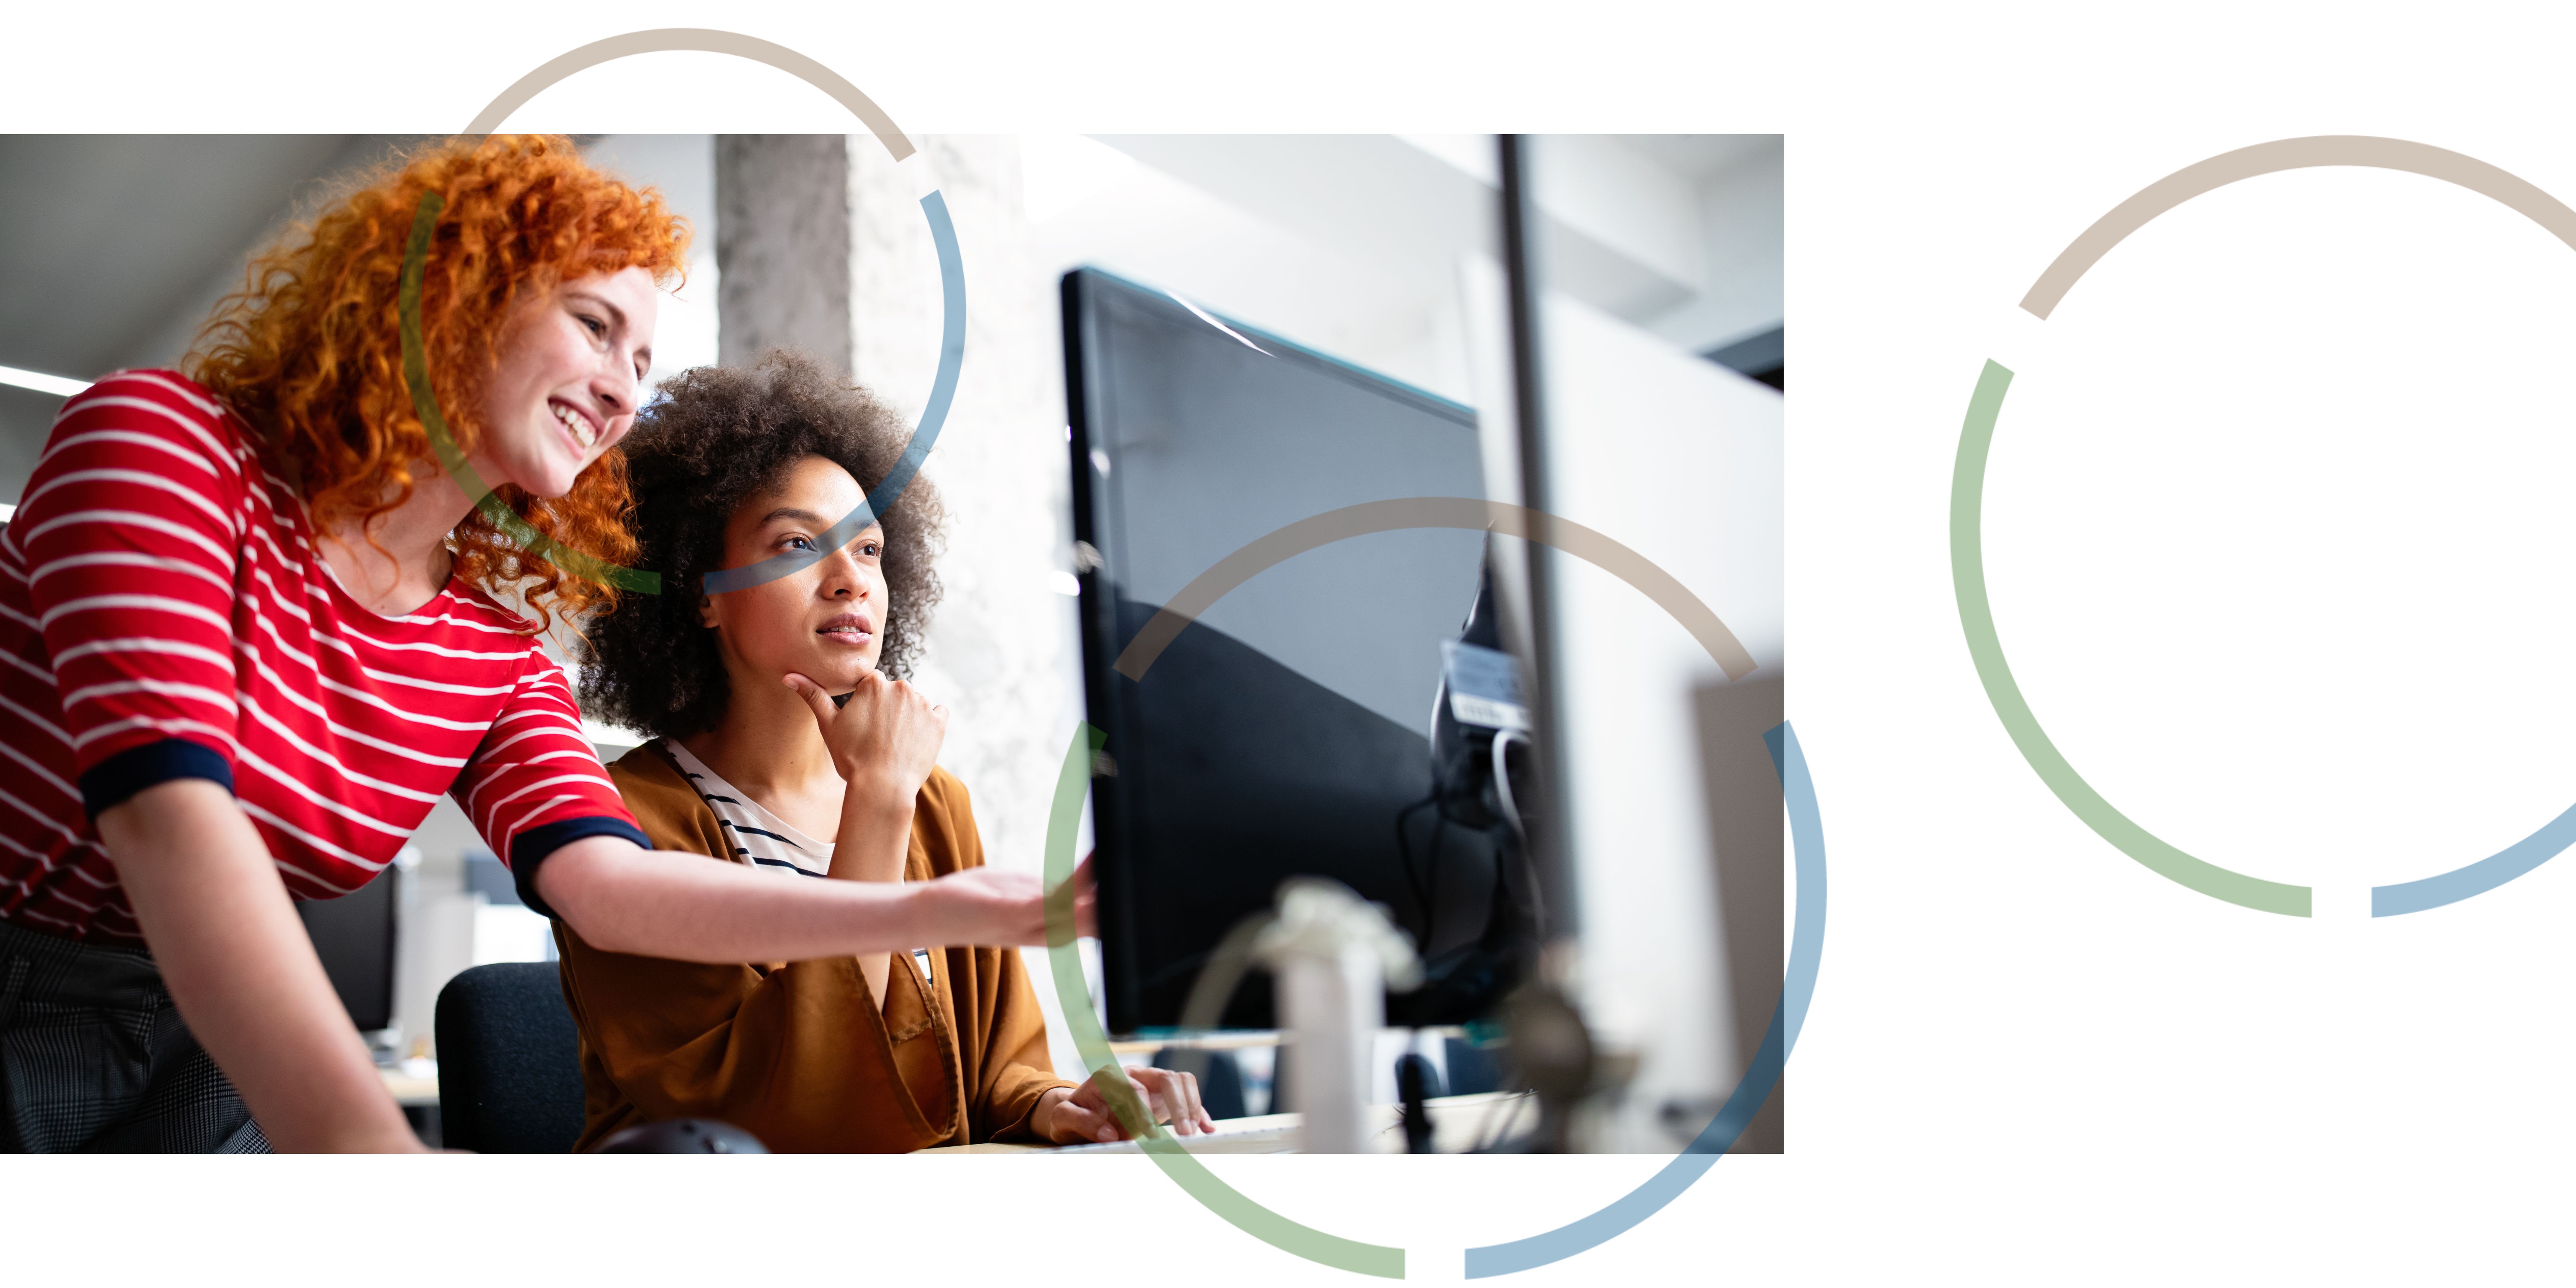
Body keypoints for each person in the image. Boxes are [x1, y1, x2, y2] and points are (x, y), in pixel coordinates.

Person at [0, 136, 1082, 1154]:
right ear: (456, 299)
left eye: (643, 357)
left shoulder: (493, 652)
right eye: (594, 325)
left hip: (208, 1028)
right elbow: (166, 814)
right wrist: (375, 1151)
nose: (621, 390)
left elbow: (614, 888)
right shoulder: (164, 445)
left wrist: (932, 908)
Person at [567, 353, 1210, 1150]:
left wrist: (1056, 1103)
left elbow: (998, 1071)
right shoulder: (621, 822)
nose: (851, 581)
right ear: (701, 591)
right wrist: (877, 799)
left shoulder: (933, 801)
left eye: (869, 551)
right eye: (800, 543)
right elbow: (771, 1119)